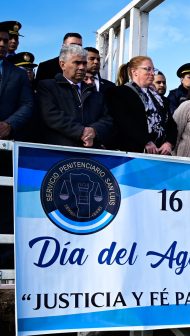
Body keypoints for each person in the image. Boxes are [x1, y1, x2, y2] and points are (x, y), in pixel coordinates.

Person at [0, 22, 34, 269]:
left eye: (5, 40)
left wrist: (9, 124)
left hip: (5, 147)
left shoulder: (18, 74)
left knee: (4, 205)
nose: (2, 44)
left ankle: (4, 263)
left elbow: (27, 105)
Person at [36, 44, 113, 149]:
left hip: (90, 155)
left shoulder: (94, 92)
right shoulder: (47, 87)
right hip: (56, 153)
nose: (82, 67)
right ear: (62, 64)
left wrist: (94, 131)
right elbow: (51, 115)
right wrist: (81, 132)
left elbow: (107, 119)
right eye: (77, 63)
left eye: (84, 63)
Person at [106, 56, 176, 154]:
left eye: (153, 69)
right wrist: (146, 141)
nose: (152, 73)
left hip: (160, 155)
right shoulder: (119, 93)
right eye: (147, 69)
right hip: (132, 155)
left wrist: (168, 143)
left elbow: (171, 125)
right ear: (135, 72)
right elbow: (125, 122)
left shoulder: (160, 99)